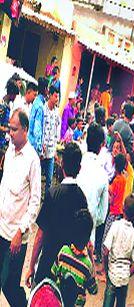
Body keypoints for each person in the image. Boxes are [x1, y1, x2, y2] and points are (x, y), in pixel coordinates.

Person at [25, 142, 88, 286]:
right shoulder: (81, 198)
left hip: (47, 263)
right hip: (69, 270)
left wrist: (31, 267)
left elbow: (40, 235)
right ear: (79, 168)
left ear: (62, 164)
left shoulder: (52, 194)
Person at [0, 109, 41, 306]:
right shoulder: (9, 151)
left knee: (9, 285)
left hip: (15, 237)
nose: (10, 133)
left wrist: (21, 231)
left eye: (14, 130)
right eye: (9, 129)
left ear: (25, 130)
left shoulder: (32, 160)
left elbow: (35, 201)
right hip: (1, 227)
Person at [51, 209, 98, 306]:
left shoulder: (63, 252)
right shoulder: (87, 265)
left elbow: (53, 274)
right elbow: (94, 290)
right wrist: (91, 257)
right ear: (88, 238)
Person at [102, 194, 134, 307]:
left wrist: (106, 269)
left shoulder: (115, 226)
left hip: (112, 274)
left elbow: (105, 251)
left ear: (122, 209)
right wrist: (127, 274)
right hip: (124, 278)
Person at [77, 123, 109, 247]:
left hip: (68, 230)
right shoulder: (102, 175)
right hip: (88, 236)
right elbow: (102, 215)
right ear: (101, 146)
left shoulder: (78, 163)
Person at [102, 153, 127, 242]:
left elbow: (111, 200)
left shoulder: (115, 181)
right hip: (120, 211)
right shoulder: (124, 179)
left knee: (106, 238)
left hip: (113, 212)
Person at [41, 86, 61, 192]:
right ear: (50, 95)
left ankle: (46, 201)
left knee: (49, 179)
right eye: (55, 96)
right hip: (42, 150)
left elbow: (57, 132)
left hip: (51, 151)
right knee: (37, 175)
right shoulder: (43, 109)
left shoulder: (57, 113)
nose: (57, 99)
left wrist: (55, 150)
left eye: (58, 97)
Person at [28, 77, 49, 156]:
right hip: (33, 146)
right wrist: (39, 150)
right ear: (45, 89)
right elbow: (37, 130)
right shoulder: (40, 106)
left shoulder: (36, 102)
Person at [0, 79, 19, 149]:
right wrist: (7, 130)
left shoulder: (7, 105)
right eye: (15, 95)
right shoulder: (2, 106)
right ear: (11, 93)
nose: (15, 98)